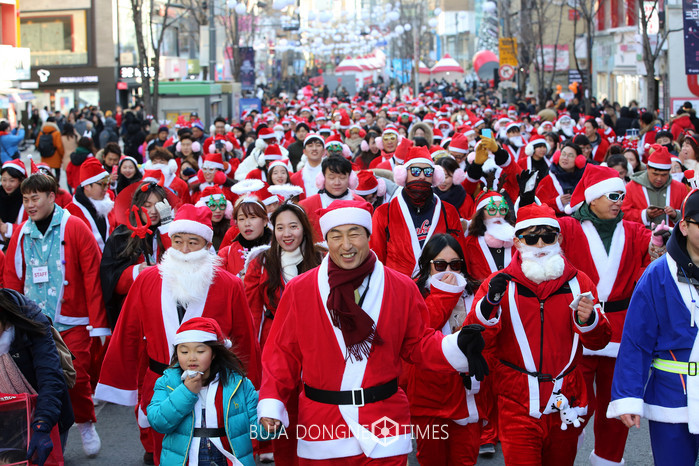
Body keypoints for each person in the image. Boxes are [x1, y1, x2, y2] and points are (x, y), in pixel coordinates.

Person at [257, 200, 488, 464]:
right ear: (326, 241)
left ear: (369, 236)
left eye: (354, 233)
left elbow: (418, 344)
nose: (346, 245)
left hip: (385, 421)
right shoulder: (301, 290)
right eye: (336, 236)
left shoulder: (400, 286)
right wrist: (272, 400)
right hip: (322, 425)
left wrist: (456, 346)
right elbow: (281, 353)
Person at [95, 205, 260, 465]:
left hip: (215, 386)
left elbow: (244, 340)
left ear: (207, 245)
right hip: (162, 384)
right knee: (166, 454)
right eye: (177, 241)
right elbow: (128, 332)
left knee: (215, 453)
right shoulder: (147, 280)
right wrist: (120, 382)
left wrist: (253, 390)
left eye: (193, 242)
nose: (183, 250)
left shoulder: (230, 284)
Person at [465, 203, 612, 465]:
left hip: (565, 399)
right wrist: (489, 304)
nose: (541, 244)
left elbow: (599, 341)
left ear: (559, 239)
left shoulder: (580, 282)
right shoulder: (498, 284)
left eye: (548, 236)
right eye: (531, 238)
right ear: (517, 242)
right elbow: (476, 340)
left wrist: (590, 320)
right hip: (516, 402)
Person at [3, 173, 109, 458]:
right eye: (25, 199)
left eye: (35, 198)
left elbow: (92, 276)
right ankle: (46, 437)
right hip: (33, 324)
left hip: (72, 321)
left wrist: (98, 323)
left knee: (76, 378)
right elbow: (12, 279)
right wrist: (10, 322)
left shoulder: (75, 227)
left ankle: (85, 422)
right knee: (39, 382)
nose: (29, 205)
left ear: (52, 196)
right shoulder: (21, 233)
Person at [607, 188, 699, 465]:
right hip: (672, 396)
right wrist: (628, 395)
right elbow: (637, 340)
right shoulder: (657, 274)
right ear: (683, 226)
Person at [244, 202, 324, 465]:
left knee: (316, 410)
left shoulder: (322, 260)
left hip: (314, 344)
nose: (286, 234)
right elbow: (252, 313)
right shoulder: (261, 263)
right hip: (275, 342)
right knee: (282, 410)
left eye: (293, 226)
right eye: (280, 228)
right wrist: (255, 359)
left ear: (304, 228)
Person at [148, 317, 273, 466]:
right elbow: (158, 422)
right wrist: (186, 392)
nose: (191, 358)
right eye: (184, 351)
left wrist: (270, 424)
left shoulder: (239, 384)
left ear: (214, 354)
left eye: (200, 351)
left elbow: (258, 430)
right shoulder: (167, 382)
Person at [407, 234, 482, 465]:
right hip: (428, 397)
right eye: (440, 265)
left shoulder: (475, 293)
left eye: (455, 265)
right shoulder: (413, 294)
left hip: (468, 394)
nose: (448, 271)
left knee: (465, 459)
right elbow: (420, 333)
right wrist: (445, 295)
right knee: (432, 459)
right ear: (427, 266)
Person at [0, 288, 74, 465]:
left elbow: (50, 377)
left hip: (45, 414)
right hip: (5, 421)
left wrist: (42, 424)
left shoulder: (30, 319)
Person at [371, 146, 466, 277]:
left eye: (428, 172)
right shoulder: (383, 213)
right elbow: (377, 258)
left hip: (437, 284)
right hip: (398, 284)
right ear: (404, 174)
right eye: (415, 171)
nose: (422, 176)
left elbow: (460, 255)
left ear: (434, 176)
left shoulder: (448, 211)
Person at [298, 155, 364, 241]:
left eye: (342, 177)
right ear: (322, 178)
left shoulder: (360, 203)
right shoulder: (306, 206)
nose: (337, 183)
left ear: (350, 179)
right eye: (332, 178)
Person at [622, 145, 687, 227]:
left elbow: (689, 214)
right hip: (642, 234)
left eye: (664, 175)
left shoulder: (680, 188)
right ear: (647, 168)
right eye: (655, 174)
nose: (659, 179)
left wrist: (675, 215)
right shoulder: (631, 187)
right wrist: (645, 215)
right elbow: (623, 214)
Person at [66, 158, 115, 252]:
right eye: (102, 184)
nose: (106, 189)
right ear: (87, 186)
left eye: (107, 184)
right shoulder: (70, 213)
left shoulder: (109, 203)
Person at [218, 198, 271, 276]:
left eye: (253, 217)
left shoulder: (277, 249)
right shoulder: (225, 254)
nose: (247, 224)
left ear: (265, 220)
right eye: (241, 219)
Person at [535, 142, 588, 216]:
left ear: (579, 160)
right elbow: (537, 205)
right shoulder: (548, 180)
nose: (565, 158)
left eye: (570, 155)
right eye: (563, 154)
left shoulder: (585, 179)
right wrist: (557, 202)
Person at [194, 186, 232, 251]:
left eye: (222, 205)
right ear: (203, 207)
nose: (218, 210)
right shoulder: (197, 231)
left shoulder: (231, 230)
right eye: (213, 206)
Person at [0, 159, 28, 245]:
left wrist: (10, 228)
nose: (7, 184)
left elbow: (32, 228)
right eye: (4, 180)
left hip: (20, 246)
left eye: (12, 181)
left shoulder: (27, 199)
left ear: (20, 181)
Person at [290, 133, 326, 198]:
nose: (314, 149)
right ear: (304, 151)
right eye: (310, 146)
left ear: (324, 151)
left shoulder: (331, 175)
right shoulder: (295, 178)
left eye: (318, 145)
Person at [35, 117, 65, 181]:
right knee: (57, 173)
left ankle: (47, 184)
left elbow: (37, 144)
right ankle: (56, 185)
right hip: (55, 156)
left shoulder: (42, 132)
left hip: (44, 156)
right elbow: (59, 146)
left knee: (46, 174)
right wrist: (62, 155)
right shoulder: (56, 132)